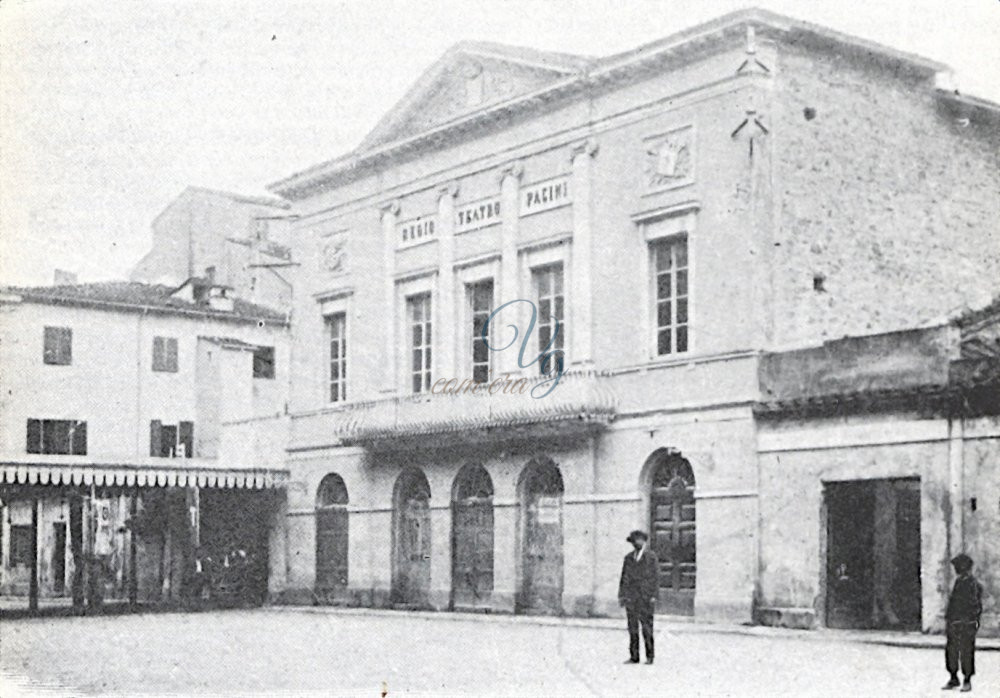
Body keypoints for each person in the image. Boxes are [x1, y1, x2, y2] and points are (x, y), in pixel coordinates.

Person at [942, 553, 983, 692]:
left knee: (966, 651)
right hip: (954, 622)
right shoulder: (959, 582)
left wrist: (972, 621)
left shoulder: (973, 585)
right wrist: (949, 620)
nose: (956, 569)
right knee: (951, 651)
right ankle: (953, 677)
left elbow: (975, 606)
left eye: (957, 566)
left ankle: (967, 679)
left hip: (966, 623)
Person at [618, 529, 659, 665]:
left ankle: (650, 656)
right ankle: (634, 656)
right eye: (634, 541)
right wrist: (622, 596)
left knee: (647, 628)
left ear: (644, 541)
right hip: (631, 598)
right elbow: (624, 578)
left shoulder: (651, 557)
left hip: (645, 598)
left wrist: (653, 595)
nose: (637, 543)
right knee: (632, 628)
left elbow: (656, 578)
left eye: (639, 540)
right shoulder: (628, 558)